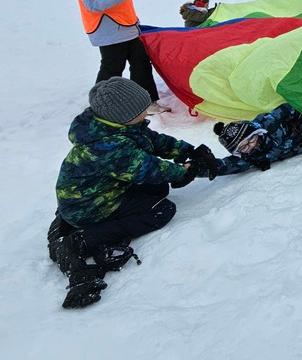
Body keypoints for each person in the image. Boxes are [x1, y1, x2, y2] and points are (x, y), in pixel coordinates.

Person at [47, 78, 219, 308]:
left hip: (95, 191)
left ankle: (82, 224)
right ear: (124, 115)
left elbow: (152, 141)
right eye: (142, 110)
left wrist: (189, 151)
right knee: (161, 210)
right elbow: (150, 169)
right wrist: (185, 172)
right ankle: (82, 241)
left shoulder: (113, 125)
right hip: (87, 207)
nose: (147, 112)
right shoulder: (109, 146)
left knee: (158, 189)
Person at [57, 0, 170, 112]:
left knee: (140, 62)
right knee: (112, 68)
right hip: (109, 29)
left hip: (127, 27)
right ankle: (100, 105)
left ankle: (146, 102)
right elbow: (93, 3)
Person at [211, 103, 302, 175]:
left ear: (256, 132)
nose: (252, 145)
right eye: (244, 147)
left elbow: (295, 107)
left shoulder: (269, 122)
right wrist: (206, 167)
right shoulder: (250, 157)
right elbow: (226, 166)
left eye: (251, 139)